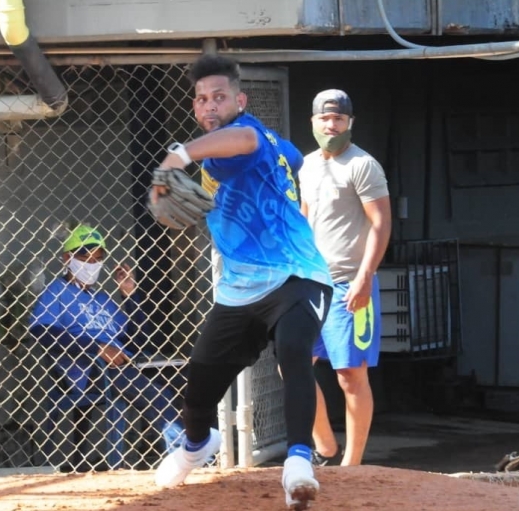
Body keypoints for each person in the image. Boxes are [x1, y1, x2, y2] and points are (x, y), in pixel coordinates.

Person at [151, 54, 334, 510]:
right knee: (198, 392)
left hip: (298, 274)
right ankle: (196, 445)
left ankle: (297, 463)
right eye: (201, 99)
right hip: (239, 288)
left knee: (293, 353)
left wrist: (181, 154)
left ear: (239, 99)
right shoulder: (263, 145)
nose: (209, 105)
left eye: (219, 97)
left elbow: (246, 139)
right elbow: (289, 155)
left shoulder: (247, 134)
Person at [29, 224, 184, 470]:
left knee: (180, 379)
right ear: (67, 258)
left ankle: (192, 444)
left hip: (122, 366)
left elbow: (138, 340)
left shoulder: (102, 299)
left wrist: (129, 295)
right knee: (154, 393)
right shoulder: (57, 292)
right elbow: (41, 331)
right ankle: (187, 454)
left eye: (98, 259)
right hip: (86, 370)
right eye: (85, 257)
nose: (91, 264)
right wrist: (97, 346)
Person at [298, 90, 392, 467]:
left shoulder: (363, 165)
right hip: (309, 284)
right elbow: (304, 219)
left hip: (349, 283)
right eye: (324, 119)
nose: (330, 125)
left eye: (338, 119)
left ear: (350, 122)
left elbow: (381, 223)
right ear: (314, 122)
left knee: (350, 375)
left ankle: (352, 467)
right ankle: (325, 445)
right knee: (294, 364)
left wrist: (365, 278)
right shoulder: (306, 165)